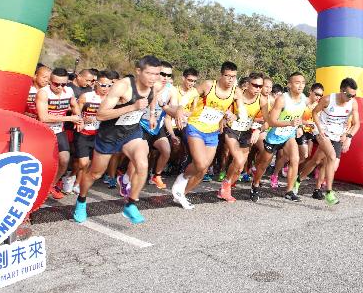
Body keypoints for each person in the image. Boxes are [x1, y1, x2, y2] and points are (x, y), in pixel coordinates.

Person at [73, 55, 180, 224]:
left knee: (142, 164)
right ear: (138, 71)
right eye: (150, 73)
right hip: (109, 134)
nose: (154, 78)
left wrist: (153, 114)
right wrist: (132, 107)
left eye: (157, 74)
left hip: (131, 132)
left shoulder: (155, 85)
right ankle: (81, 200)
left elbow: (153, 102)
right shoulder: (123, 86)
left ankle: (130, 204)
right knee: (95, 173)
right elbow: (100, 114)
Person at [170, 61, 248, 210]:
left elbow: (242, 112)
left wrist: (235, 116)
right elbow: (191, 94)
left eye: (234, 76)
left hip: (212, 132)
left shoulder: (236, 91)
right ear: (221, 75)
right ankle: (182, 178)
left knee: (204, 169)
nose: (231, 79)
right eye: (228, 76)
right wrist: (180, 108)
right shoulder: (208, 85)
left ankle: (181, 194)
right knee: (200, 163)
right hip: (196, 127)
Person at [296, 78, 360, 205]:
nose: (351, 98)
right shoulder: (328, 100)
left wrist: (349, 137)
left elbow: (357, 124)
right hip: (323, 133)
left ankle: (298, 180)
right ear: (341, 91)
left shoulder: (353, 103)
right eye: (348, 95)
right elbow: (315, 113)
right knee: (331, 157)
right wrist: (320, 130)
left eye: (354, 95)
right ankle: (329, 192)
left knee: (319, 161)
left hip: (338, 136)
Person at [250, 72, 307, 202]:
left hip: (288, 135)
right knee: (264, 165)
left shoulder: (303, 98)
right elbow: (271, 121)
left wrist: (298, 127)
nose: (301, 86)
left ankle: (289, 191)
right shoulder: (282, 99)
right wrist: (290, 123)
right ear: (289, 85)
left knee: (295, 158)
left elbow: (298, 117)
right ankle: (255, 184)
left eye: (303, 83)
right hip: (274, 136)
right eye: (297, 83)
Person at [217, 72, 270, 202]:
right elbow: (222, 107)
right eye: (255, 85)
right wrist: (225, 117)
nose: (258, 88)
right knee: (239, 160)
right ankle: (226, 188)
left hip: (246, 132)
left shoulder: (262, 100)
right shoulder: (236, 94)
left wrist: (258, 129)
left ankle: (225, 186)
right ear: (248, 84)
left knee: (240, 167)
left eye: (260, 86)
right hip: (232, 130)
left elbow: (268, 121)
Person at [36, 67, 82, 200]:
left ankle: (52, 185)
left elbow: (74, 105)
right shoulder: (43, 93)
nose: (60, 87)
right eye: (56, 84)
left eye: (63, 84)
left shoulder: (69, 91)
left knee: (64, 160)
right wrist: (69, 118)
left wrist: (79, 118)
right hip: (43, 131)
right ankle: (39, 187)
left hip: (58, 130)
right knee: (44, 162)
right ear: (50, 81)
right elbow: (43, 117)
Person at [72, 71, 112, 193]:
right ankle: (71, 176)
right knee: (83, 163)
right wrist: (83, 119)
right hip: (83, 133)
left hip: (99, 135)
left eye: (109, 86)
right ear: (96, 84)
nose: (106, 88)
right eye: (103, 85)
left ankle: (77, 183)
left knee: (88, 163)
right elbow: (76, 114)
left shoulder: (112, 100)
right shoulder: (86, 96)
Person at [141, 61, 179, 189]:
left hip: (157, 128)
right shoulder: (148, 85)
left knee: (166, 150)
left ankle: (156, 175)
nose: (166, 78)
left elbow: (172, 110)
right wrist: (152, 113)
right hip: (142, 125)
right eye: (163, 74)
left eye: (169, 75)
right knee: (142, 154)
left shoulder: (171, 90)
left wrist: (178, 113)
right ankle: (127, 179)